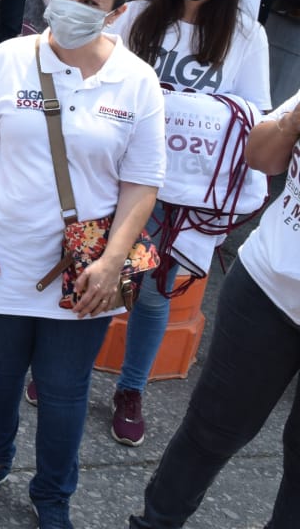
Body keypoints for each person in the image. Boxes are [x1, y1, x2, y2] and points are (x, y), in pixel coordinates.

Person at [0, 0, 164, 529]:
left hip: (86, 270)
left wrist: (112, 262)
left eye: (89, 1)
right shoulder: (9, 58)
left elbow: (142, 184)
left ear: (116, 13)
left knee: (64, 388)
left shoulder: (138, 82)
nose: (71, 8)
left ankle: (53, 496)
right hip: (0, 256)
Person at [98, 0, 270, 446]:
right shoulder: (139, 16)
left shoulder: (247, 34)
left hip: (183, 195)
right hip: (117, 176)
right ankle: (65, 367)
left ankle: (131, 389)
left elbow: (256, 113)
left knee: (152, 296)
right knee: (99, 273)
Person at [126, 88, 300, 529]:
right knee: (212, 428)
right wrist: (292, 124)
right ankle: (155, 522)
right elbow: (260, 157)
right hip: (268, 287)